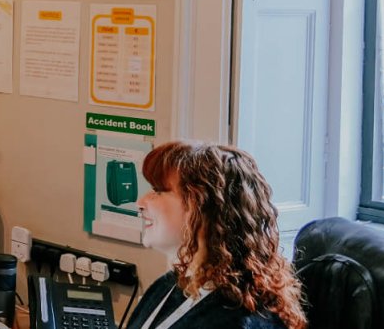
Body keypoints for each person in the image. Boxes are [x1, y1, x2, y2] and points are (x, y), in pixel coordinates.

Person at [126, 141, 306, 329]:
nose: (140, 202)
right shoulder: (169, 285)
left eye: (158, 191)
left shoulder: (240, 320)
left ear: (202, 206)